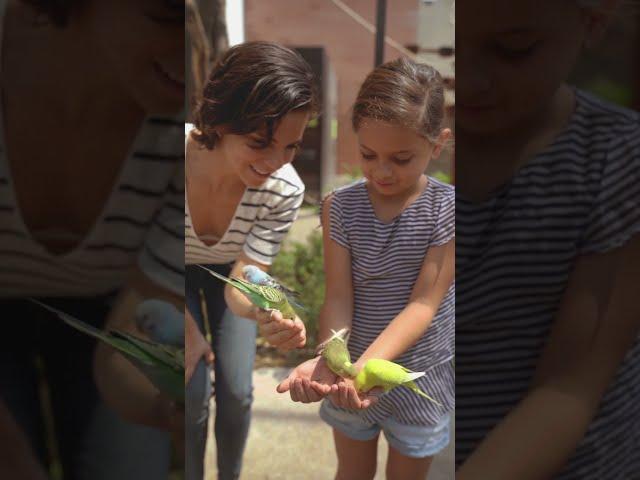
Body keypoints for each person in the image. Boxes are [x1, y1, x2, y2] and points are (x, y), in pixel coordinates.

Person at [0, 0, 185, 478]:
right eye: (165, 17)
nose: (189, 55)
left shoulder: (196, 137)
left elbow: (139, 329)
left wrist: (172, 408)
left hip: (110, 303)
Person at [455, 1, 640, 478]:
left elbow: (568, 388)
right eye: (440, 48)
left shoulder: (617, 159)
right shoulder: (397, 152)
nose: (466, 78)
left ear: (592, 21)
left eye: (513, 49)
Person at [277, 57, 455, 480]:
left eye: (401, 157)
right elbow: (338, 297)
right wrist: (329, 360)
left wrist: (358, 372)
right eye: (368, 154)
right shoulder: (340, 207)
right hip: (348, 379)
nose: (382, 170)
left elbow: (423, 306)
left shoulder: (447, 209)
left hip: (420, 380)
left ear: (437, 143)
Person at [184, 40, 319, 480]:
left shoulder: (284, 190)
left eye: (291, 147)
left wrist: (268, 308)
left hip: (228, 270)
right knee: (188, 389)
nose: (276, 163)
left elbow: (243, 281)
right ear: (221, 120)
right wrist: (187, 333)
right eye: (260, 142)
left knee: (239, 391)